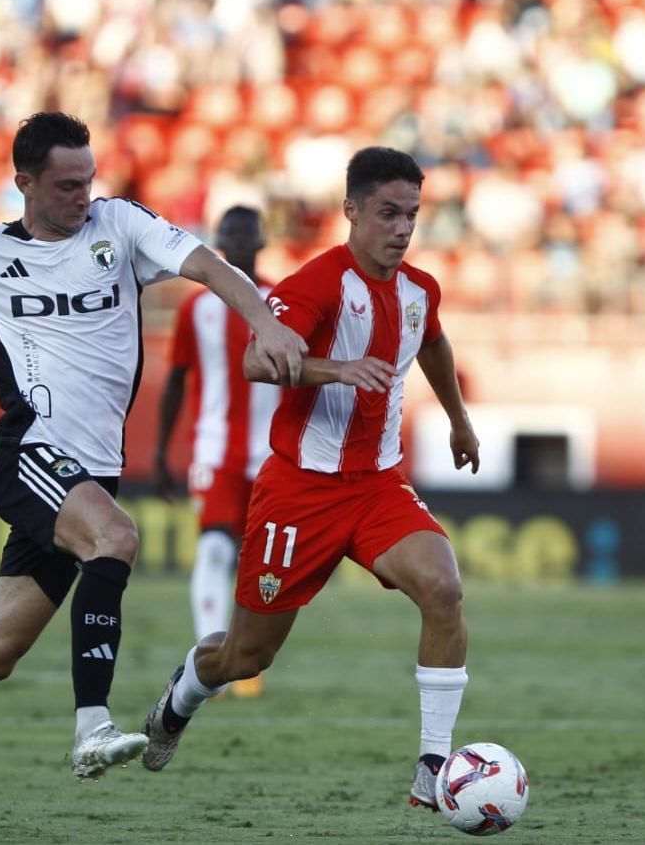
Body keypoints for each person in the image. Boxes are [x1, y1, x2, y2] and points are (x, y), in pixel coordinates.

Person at [0, 112, 304, 779]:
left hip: (90, 472)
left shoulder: (120, 227)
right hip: (28, 452)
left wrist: (264, 325)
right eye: (68, 185)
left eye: (89, 181)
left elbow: (212, 268)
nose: (83, 196)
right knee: (118, 538)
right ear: (24, 183)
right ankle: (91, 726)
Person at [136, 146, 481, 811]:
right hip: (299, 492)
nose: (403, 227)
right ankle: (181, 697)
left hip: (378, 485)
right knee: (244, 659)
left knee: (442, 585)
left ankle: (432, 767)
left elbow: (432, 341)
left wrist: (459, 421)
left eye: (412, 214)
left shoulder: (419, 291)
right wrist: (334, 369)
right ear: (351, 211)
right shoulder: (316, 284)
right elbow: (258, 364)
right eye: (388, 213)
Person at [153, 206, 278, 699]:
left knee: (260, 561)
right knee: (214, 548)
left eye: (248, 233)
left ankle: (245, 655)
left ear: (262, 241)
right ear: (220, 242)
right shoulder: (195, 309)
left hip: (272, 457)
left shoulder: (281, 302)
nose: (240, 241)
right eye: (231, 233)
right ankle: (214, 656)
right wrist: (162, 453)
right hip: (215, 452)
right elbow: (176, 382)